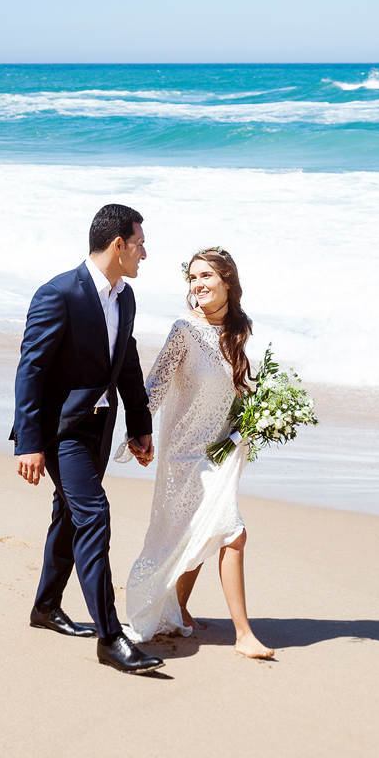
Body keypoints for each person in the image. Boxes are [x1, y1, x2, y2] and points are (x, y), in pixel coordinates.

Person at [11, 204, 164, 674]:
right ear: (118, 244)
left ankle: (46, 606)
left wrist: (139, 424)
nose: (145, 251)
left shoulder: (126, 297)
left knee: (71, 514)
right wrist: (29, 443)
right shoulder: (59, 293)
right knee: (93, 514)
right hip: (60, 433)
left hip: (98, 427)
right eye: (139, 242)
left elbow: (128, 361)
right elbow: (31, 368)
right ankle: (110, 637)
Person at [118, 247, 274, 659]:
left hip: (221, 451)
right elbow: (156, 385)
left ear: (228, 283)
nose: (198, 284)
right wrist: (138, 433)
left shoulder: (240, 331)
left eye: (207, 276)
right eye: (192, 278)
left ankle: (181, 610)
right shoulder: (184, 330)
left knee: (204, 529)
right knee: (233, 533)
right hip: (184, 455)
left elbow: (242, 393)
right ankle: (243, 635)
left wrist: (258, 419)